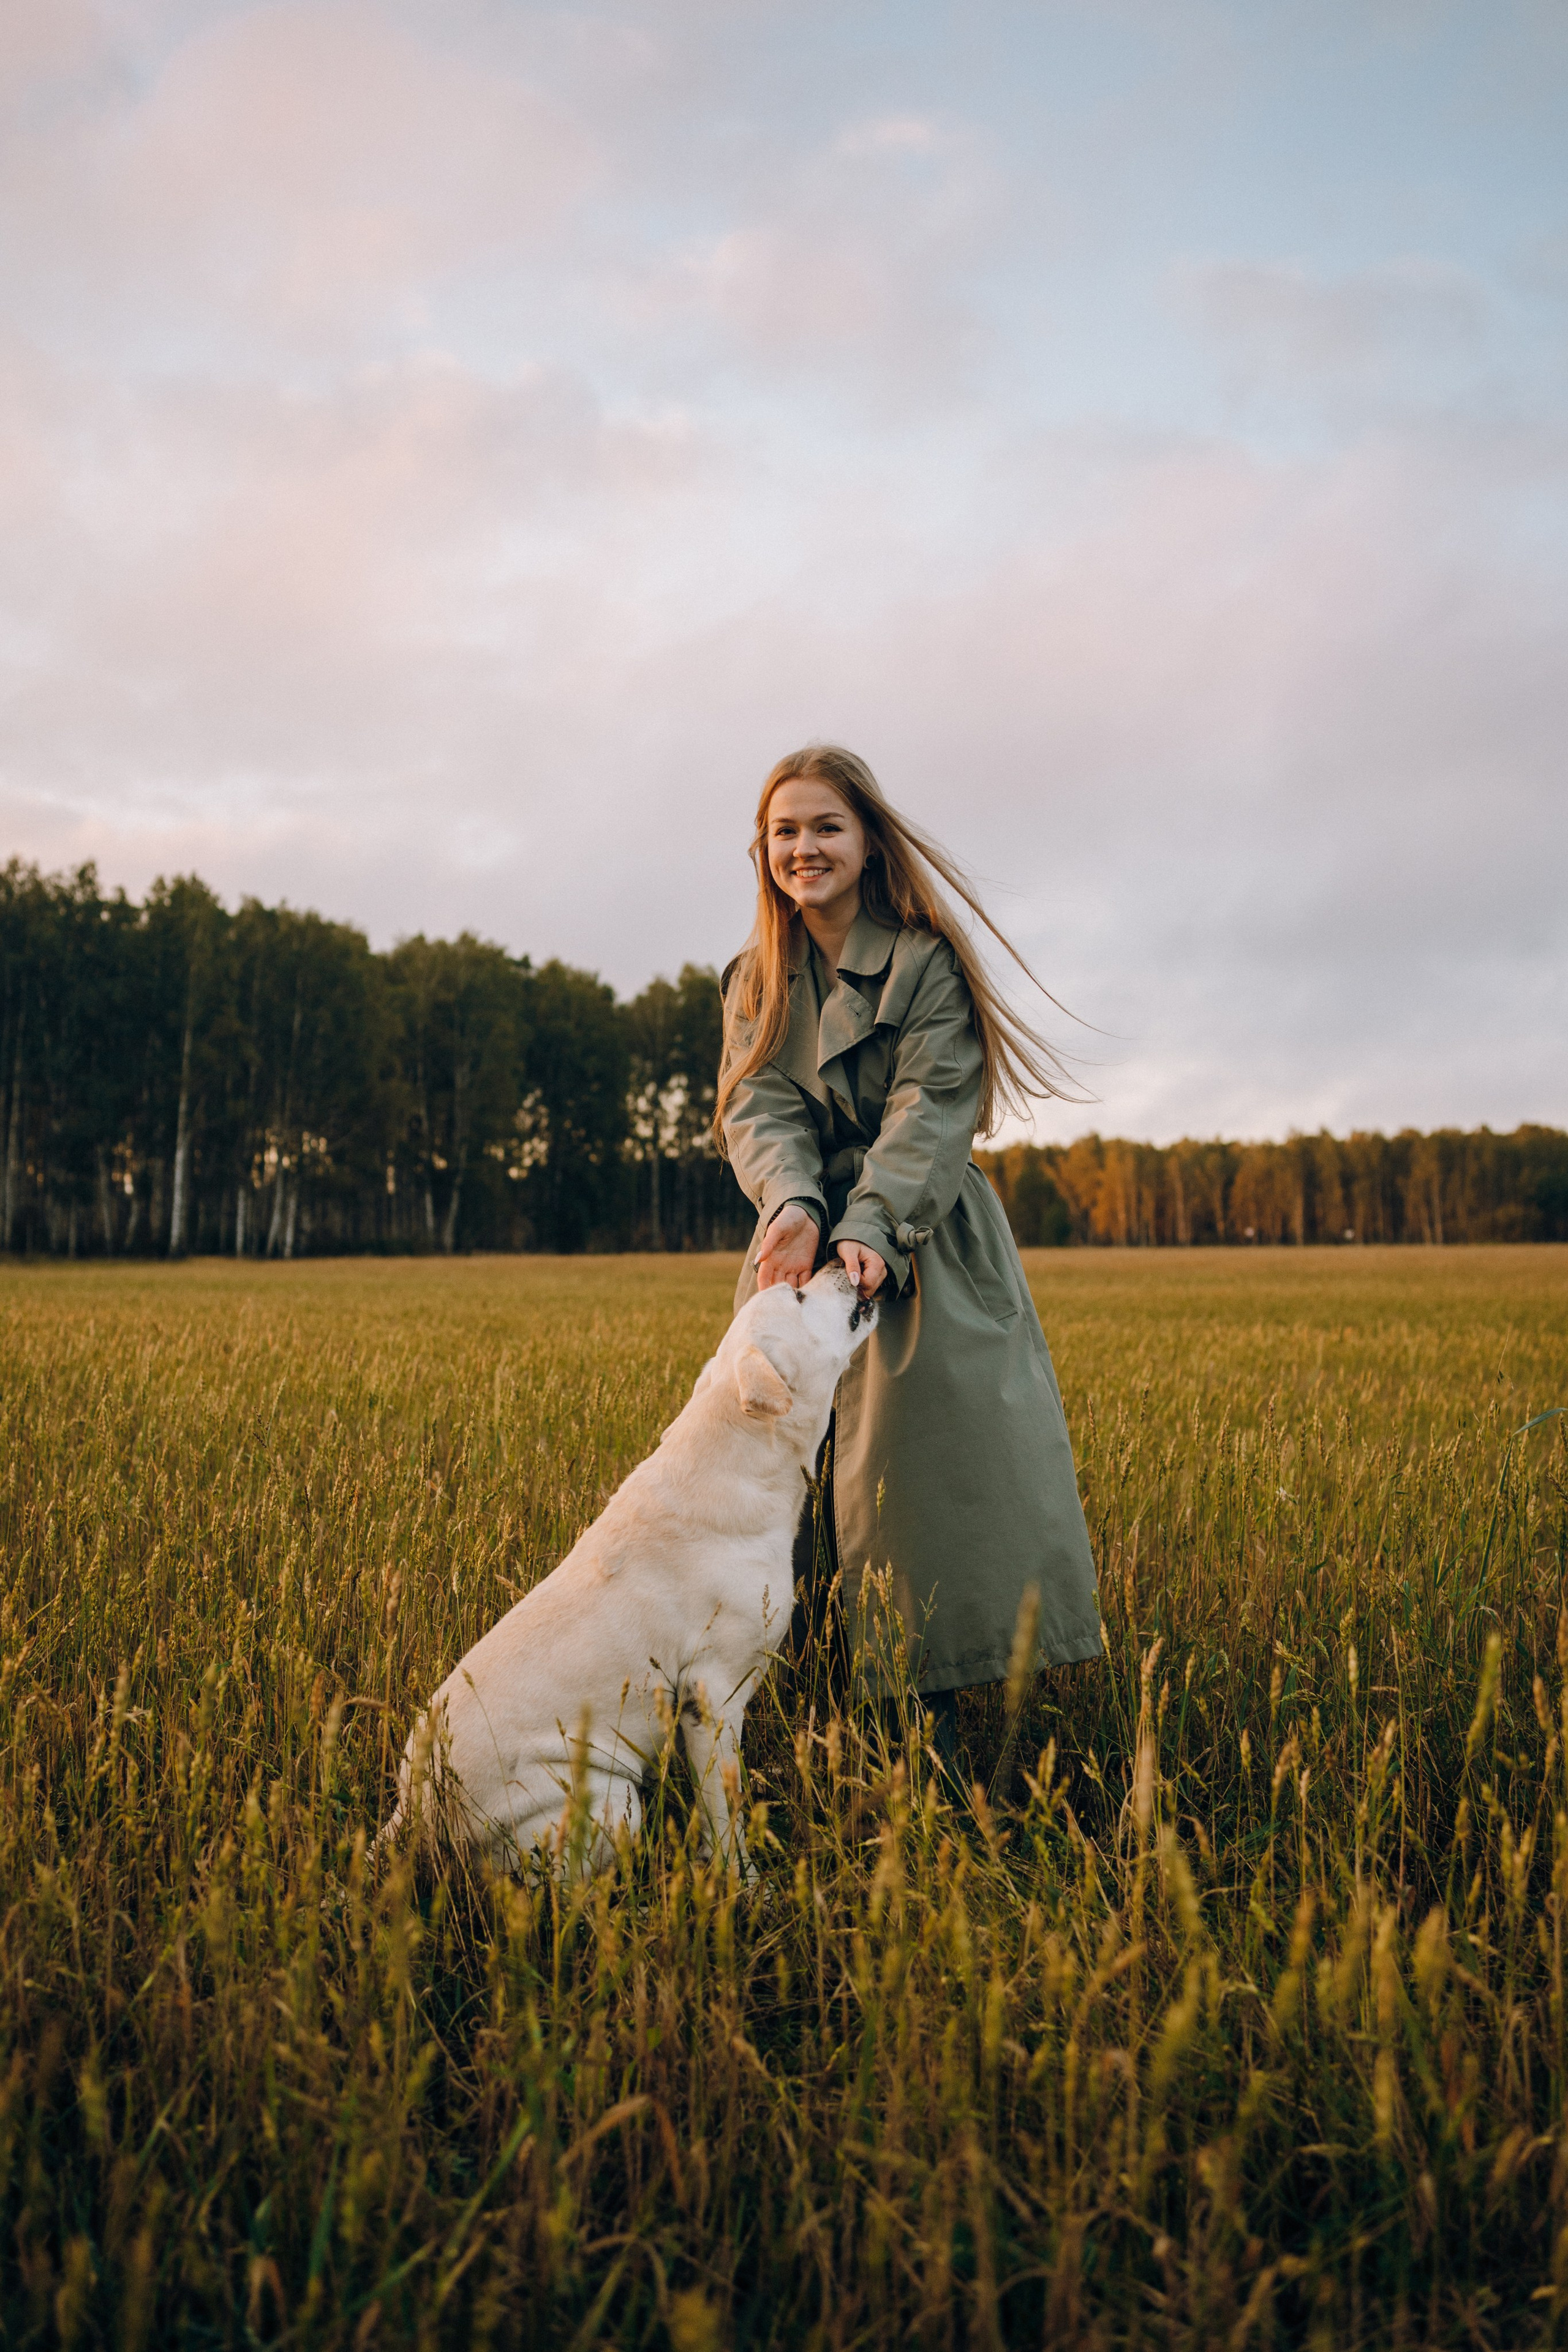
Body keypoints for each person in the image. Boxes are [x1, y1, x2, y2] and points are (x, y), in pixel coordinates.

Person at [715, 744, 1102, 1777]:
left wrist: (872, 1226)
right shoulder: (753, 980)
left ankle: (933, 1749)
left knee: (917, 1494)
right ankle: (804, 1715)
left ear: (868, 841)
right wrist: (795, 1208)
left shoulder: (927, 961)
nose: (804, 847)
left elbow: (931, 1109)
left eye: (826, 826)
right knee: (781, 1486)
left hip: (920, 1240)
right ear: (763, 850)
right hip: (799, 1258)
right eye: (786, 831)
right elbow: (757, 1108)